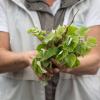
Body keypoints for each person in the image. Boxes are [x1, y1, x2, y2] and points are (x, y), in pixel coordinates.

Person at [0, 0, 100, 100]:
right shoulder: (6, 2)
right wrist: (26, 58)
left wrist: (66, 64)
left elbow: (95, 60)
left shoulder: (91, 2)